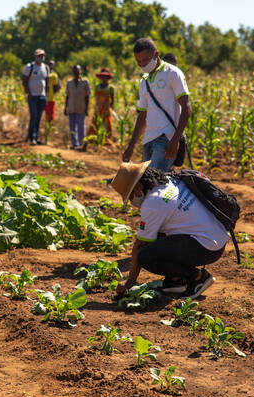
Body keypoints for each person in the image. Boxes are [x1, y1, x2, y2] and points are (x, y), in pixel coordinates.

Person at [110, 161, 229, 299]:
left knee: (144, 256)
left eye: (129, 197)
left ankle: (198, 277)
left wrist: (130, 281)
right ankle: (176, 280)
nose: (131, 202)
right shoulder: (169, 180)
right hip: (216, 238)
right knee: (156, 234)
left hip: (206, 248)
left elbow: (140, 245)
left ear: (137, 189)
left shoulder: (152, 203)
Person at [122, 38, 191, 171]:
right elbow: (142, 116)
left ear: (156, 54)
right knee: (157, 185)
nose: (142, 64)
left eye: (146, 60)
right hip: (148, 141)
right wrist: (131, 146)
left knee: (152, 185)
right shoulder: (144, 81)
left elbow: (186, 107)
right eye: (138, 62)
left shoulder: (172, 73)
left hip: (166, 140)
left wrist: (175, 139)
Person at [21, 48, 50, 145]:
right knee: (33, 116)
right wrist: (29, 93)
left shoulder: (46, 67)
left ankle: (35, 137)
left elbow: (47, 82)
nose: (41, 57)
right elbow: (24, 81)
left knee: (38, 117)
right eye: (39, 56)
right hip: (33, 96)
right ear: (35, 56)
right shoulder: (30, 67)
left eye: (42, 56)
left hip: (42, 96)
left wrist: (46, 95)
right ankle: (31, 136)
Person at [64, 65, 90, 151]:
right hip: (71, 107)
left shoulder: (85, 82)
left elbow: (87, 97)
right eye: (74, 71)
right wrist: (65, 107)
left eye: (78, 71)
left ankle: (82, 144)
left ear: (81, 71)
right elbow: (67, 96)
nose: (76, 72)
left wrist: (87, 109)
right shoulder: (69, 83)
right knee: (72, 127)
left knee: (81, 127)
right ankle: (74, 144)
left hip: (81, 107)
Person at [88, 68, 115, 144]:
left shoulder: (111, 88)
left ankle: (106, 141)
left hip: (106, 109)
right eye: (102, 76)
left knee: (106, 124)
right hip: (98, 108)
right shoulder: (97, 87)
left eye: (105, 77)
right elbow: (96, 98)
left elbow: (112, 100)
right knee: (96, 123)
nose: (104, 78)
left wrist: (111, 108)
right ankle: (94, 140)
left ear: (108, 78)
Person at [43, 60, 61, 141]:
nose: (51, 66)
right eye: (49, 64)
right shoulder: (43, 73)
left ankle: (48, 134)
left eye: (52, 65)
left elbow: (57, 86)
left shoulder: (54, 75)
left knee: (50, 118)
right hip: (42, 98)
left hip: (50, 99)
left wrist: (52, 92)